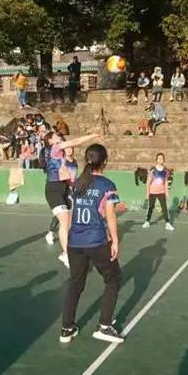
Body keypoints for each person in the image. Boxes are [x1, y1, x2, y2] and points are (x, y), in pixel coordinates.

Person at [60, 144, 125, 344]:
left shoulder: (77, 184)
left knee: (75, 283)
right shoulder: (106, 185)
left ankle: (66, 328)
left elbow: (73, 212)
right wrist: (115, 240)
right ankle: (104, 326)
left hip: (75, 242)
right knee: (113, 279)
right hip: (96, 241)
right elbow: (110, 216)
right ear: (104, 161)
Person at [44, 131, 100, 268]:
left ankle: (68, 251)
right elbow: (75, 141)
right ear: (50, 141)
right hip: (54, 189)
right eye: (55, 136)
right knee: (64, 221)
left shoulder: (62, 156)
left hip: (64, 188)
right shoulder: (54, 148)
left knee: (68, 222)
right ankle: (66, 254)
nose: (58, 136)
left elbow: (69, 175)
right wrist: (93, 135)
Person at [46, 146, 78, 244]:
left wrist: (74, 186)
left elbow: (74, 175)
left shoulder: (74, 161)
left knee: (68, 212)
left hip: (71, 189)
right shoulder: (61, 161)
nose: (70, 150)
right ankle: (50, 233)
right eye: (67, 148)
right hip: (62, 188)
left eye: (71, 148)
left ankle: (68, 234)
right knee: (61, 213)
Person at [142, 153, 174, 231]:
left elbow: (166, 182)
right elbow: (148, 182)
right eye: (159, 158)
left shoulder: (165, 171)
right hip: (152, 192)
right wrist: (147, 193)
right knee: (150, 207)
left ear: (163, 160)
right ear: (156, 160)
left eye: (162, 159)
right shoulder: (153, 170)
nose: (160, 160)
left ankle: (167, 223)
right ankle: (147, 221)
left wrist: (167, 192)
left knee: (164, 208)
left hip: (161, 192)